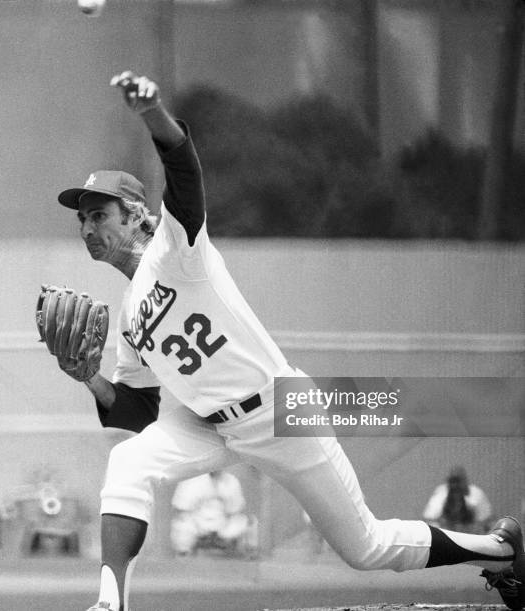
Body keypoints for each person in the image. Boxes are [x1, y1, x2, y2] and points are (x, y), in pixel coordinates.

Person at [53, 70, 524, 611]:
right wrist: (88, 378)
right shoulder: (128, 313)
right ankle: (109, 604)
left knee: (365, 548)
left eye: (100, 215)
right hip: (207, 426)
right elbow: (135, 412)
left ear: (135, 216)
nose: (89, 228)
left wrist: (151, 113)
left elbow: (183, 170)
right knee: (130, 461)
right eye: (83, 220)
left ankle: (500, 550)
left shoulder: (174, 249)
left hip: (279, 410)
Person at [170, 470, 249, 556]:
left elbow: (235, 508)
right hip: (197, 522)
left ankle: (236, 554)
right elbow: (181, 507)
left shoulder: (231, 480)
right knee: (182, 524)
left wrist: (224, 520)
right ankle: (183, 555)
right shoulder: (192, 479)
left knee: (243, 522)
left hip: (222, 523)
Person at [424, 465, 494, 534]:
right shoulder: (440, 493)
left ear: (465, 480)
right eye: (452, 481)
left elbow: (486, 521)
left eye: (458, 481)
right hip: (447, 535)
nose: (455, 485)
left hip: (470, 535)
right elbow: (430, 519)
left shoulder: (477, 494)